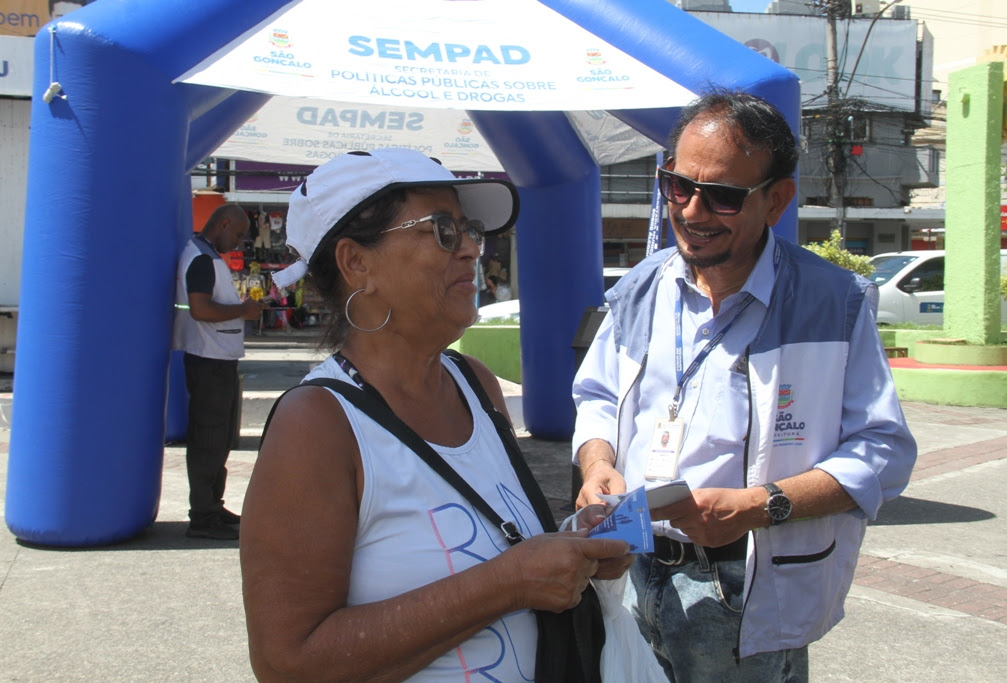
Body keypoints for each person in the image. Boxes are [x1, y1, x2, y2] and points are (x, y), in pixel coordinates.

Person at [241, 148, 632, 681]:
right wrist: (508, 584)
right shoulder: (317, 425)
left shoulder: (475, 384)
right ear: (357, 263)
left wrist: (572, 543)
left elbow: (488, 535)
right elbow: (288, 663)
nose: (473, 248)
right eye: (444, 230)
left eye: (470, 228)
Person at [572, 90, 917, 681]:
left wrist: (761, 505)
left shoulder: (831, 302)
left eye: (724, 196)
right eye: (678, 186)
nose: (693, 211)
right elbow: (599, 395)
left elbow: (882, 450)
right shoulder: (641, 286)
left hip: (744, 583)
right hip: (632, 567)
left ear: (777, 199)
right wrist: (596, 462)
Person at [172, 204, 266, 540]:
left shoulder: (204, 254)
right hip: (208, 360)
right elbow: (200, 308)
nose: (238, 242)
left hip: (217, 360)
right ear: (223, 223)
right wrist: (244, 310)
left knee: (221, 437)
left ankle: (213, 505)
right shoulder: (201, 258)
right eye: (238, 234)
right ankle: (203, 516)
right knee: (208, 438)